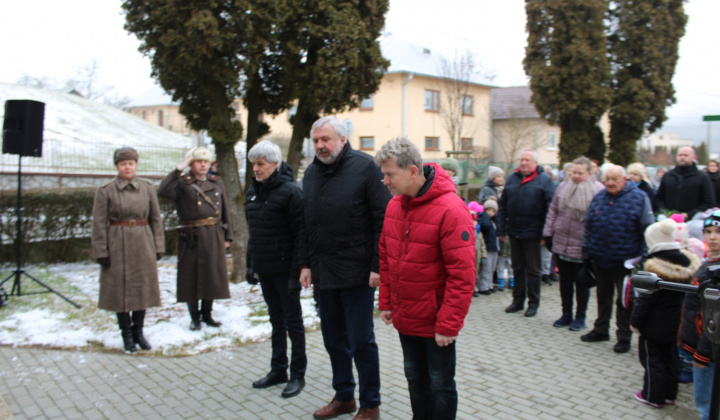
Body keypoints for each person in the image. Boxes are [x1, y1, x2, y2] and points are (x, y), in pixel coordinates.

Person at [375, 138, 475, 420]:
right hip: (406, 317)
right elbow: (386, 256)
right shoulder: (395, 205)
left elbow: (463, 275)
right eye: (384, 174)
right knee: (415, 380)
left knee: (440, 384)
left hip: (436, 324)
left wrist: (448, 324)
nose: (385, 181)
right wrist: (387, 302)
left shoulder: (451, 210)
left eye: (390, 174)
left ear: (413, 171)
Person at [298, 116, 391, 420]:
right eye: (316, 141)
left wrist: (378, 266)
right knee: (333, 338)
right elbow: (306, 224)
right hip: (324, 272)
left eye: (325, 140)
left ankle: (370, 404)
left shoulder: (365, 168)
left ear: (341, 140)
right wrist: (306, 263)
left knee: (361, 340)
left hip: (358, 273)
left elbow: (383, 219)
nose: (320, 146)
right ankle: (343, 396)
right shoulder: (311, 174)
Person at [245, 140, 307, 398]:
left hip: (286, 270)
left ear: (275, 164)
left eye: (261, 164)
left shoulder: (291, 192)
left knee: (293, 323)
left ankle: (297, 374)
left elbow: (301, 235)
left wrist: (297, 273)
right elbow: (254, 233)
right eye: (253, 165)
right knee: (275, 321)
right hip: (266, 269)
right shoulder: (252, 192)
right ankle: (278, 369)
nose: (256, 169)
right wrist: (251, 265)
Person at [92, 147, 164, 353]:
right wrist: (101, 251)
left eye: (131, 163)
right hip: (117, 243)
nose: (127, 167)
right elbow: (98, 223)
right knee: (120, 291)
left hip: (143, 242)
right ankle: (127, 335)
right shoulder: (106, 191)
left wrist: (158, 246)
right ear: (117, 166)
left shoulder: (147, 188)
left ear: (136, 165)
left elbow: (156, 219)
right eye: (123, 164)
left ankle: (139, 332)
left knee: (143, 289)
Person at [581, 165, 654, 353]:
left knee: (624, 301)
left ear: (624, 180)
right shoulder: (599, 197)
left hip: (626, 260)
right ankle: (600, 329)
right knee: (602, 296)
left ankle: (623, 337)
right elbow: (589, 225)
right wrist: (586, 249)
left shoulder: (639, 198)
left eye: (614, 179)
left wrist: (644, 257)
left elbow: (647, 229)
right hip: (601, 257)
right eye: (607, 179)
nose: (610, 183)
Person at [158, 147, 232, 331]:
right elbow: (163, 191)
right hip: (190, 236)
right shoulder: (183, 183)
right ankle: (195, 317)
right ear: (191, 164)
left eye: (206, 161)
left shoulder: (216, 182)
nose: (203, 164)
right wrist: (178, 169)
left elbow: (225, 211)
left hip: (213, 234)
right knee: (190, 276)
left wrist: (228, 235)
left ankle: (207, 314)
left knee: (212, 275)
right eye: (199, 161)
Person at [629, 219, 701, 408]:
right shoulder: (686, 263)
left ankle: (652, 395)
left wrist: (635, 322)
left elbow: (645, 300)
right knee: (670, 357)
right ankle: (670, 393)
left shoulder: (653, 268)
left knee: (652, 360)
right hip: (675, 323)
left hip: (653, 324)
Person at [542, 157, 604, 331]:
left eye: (580, 173)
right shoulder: (563, 186)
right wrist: (548, 233)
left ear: (590, 173)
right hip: (562, 241)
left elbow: (599, 220)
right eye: (573, 172)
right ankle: (566, 314)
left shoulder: (598, 190)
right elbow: (553, 210)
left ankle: (580, 317)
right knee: (565, 282)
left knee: (582, 282)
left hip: (582, 245)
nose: (575, 176)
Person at [497, 150, 556, 317]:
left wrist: (546, 234)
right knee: (517, 268)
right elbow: (503, 207)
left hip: (534, 234)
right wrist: (501, 230)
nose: (523, 162)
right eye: (521, 159)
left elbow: (550, 209)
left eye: (527, 160)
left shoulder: (545, 180)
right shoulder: (511, 179)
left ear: (535, 163)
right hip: (514, 232)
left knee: (533, 270)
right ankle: (517, 300)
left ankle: (533, 303)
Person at [654, 146, 715, 220]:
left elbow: (709, 202)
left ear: (694, 157)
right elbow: (659, 197)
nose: (682, 157)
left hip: (693, 221)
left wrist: (688, 214)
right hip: (669, 219)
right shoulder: (668, 176)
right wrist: (664, 211)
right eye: (680, 155)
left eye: (686, 155)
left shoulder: (702, 177)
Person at [477, 199, 499, 296]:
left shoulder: (494, 221)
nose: (490, 213)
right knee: (486, 268)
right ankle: (483, 286)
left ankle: (489, 285)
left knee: (492, 269)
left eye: (493, 211)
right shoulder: (484, 220)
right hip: (488, 247)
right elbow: (485, 225)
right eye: (488, 210)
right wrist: (485, 215)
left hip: (495, 247)